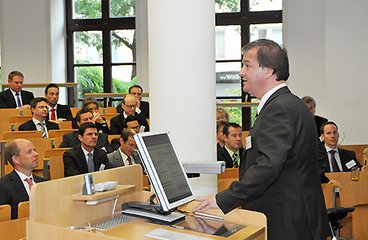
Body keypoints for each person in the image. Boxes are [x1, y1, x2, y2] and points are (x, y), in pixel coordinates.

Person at [194, 39, 330, 240]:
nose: (241, 72)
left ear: (268, 70)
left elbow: (268, 166)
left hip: (286, 221)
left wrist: (223, 199)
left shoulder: (279, 109)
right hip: (296, 216)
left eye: (247, 65)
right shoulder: (289, 104)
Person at [0, 139, 46, 219]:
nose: (36, 154)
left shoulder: (44, 183)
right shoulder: (3, 185)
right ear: (16, 159)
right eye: (29, 152)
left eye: (34, 150)